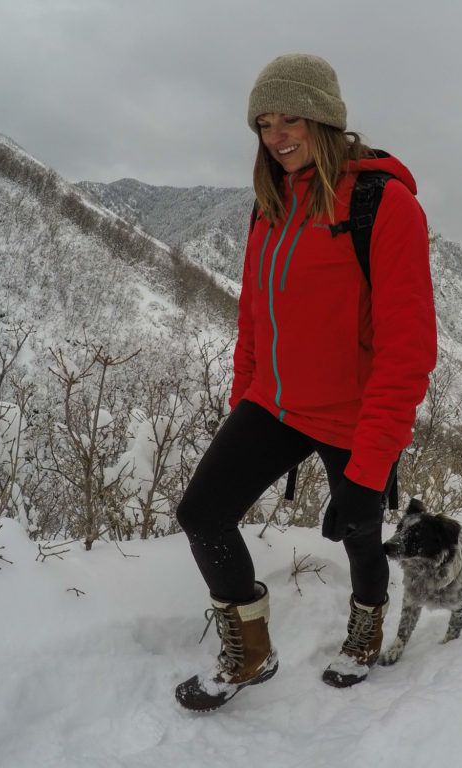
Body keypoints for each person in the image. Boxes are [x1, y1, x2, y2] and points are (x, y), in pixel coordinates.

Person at [174, 53, 437, 712]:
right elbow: (254, 318)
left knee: (358, 532)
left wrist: (372, 465)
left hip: (355, 415)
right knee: (201, 512)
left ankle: (366, 627)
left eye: (291, 117)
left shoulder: (385, 204)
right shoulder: (269, 204)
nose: (277, 134)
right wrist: (243, 406)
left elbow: (408, 352)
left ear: (325, 118)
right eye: (264, 122)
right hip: (275, 404)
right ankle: (250, 647)